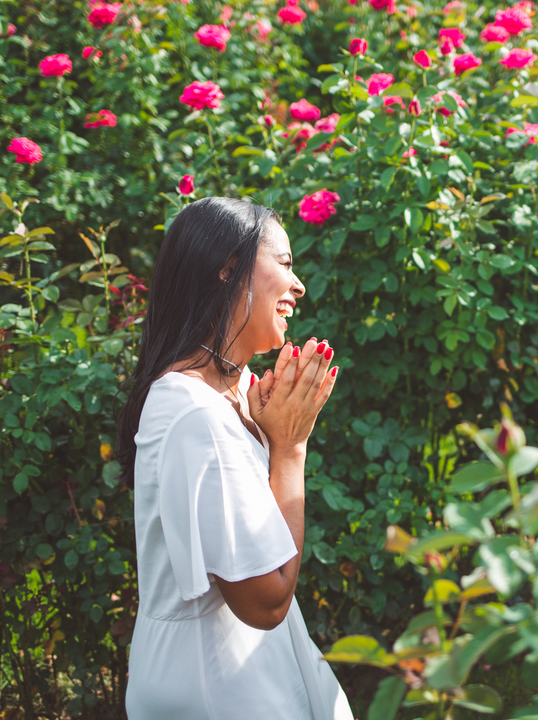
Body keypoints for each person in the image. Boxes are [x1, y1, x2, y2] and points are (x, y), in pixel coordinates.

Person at [116, 197, 354, 720]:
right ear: (228, 267)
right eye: (285, 264)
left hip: (246, 671)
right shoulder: (194, 412)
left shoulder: (235, 392)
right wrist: (290, 449)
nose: (299, 286)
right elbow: (266, 601)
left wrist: (272, 434)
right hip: (214, 685)